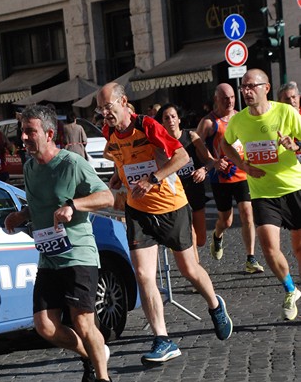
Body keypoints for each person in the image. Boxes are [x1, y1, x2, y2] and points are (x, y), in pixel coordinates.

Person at [96, 82, 233, 365]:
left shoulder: (147, 126)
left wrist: (153, 178)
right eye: (100, 108)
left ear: (123, 102)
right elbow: (120, 157)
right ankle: (162, 338)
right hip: (138, 211)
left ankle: (215, 305)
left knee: (189, 269)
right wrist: (119, 176)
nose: (104, 113)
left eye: (107, 106)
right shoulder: (108, 132)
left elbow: (181, 156)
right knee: (144, 275)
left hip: (171, 206)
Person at [4, 105, 119, 382]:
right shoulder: (29, 168)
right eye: (23, 131)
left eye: (30, 131)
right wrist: (20, 216)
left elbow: (107, 196)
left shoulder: (72, 164)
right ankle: (92, 355)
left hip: (78, 254)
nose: (24, 137)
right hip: (49, 256)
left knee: (83, 322)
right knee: (44, 326)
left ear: (50, 133)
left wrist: (74, 205)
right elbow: (39, 205)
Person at [221, 68, 301, 321]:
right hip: (263, 193)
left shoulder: (286, 112)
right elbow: (225, 144)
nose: (246, 91)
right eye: (243, 87)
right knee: (268, 248)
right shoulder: (239, 121)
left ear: (265, 88)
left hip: (294, 187)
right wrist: (242, 165)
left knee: (299, 249)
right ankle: (290, 289)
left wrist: (294, 145)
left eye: (251, 86)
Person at [196, 83, 264, 274]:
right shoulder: (209, 122)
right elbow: (197, 145)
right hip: (221, 177)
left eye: (233, 97)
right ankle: (217, 236)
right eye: (225, 98)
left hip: (242, 172)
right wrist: (213, 161)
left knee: (248, 214)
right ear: (216, 99)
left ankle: (251, 258)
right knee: (225, 220)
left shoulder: (242, 117)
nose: (230, 101)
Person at [155, 103, 215, 261]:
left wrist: (204, 170)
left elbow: (210, 161)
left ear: (179, 120)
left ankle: (213, 240)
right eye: (166, 118)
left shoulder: (191, 137)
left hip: (195, 188)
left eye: (173, 116)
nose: (171, 120)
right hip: (176, 194)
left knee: (201, 238)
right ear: (162, 122)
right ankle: (196, 269)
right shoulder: (160, 144)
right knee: (191, 235)